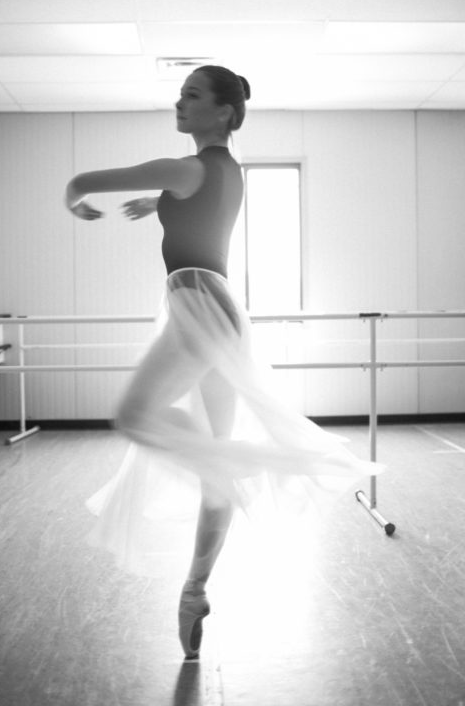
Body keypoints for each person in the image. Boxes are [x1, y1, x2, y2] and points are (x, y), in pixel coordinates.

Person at [66, 65, 382, 659]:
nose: (179, 103)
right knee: (211, 456)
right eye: (180, 94)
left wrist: (72, 194)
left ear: (223, 113)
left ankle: (228, 467)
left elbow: (84, 179)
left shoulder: (185, 168)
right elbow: (192, 206)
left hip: (196, 306)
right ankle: (194, 590)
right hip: (222, 311)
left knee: (134, 418)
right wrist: (156, 202)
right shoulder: (223, 173)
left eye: (192, 96)